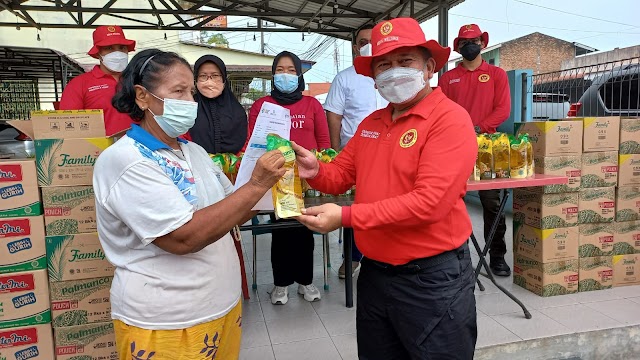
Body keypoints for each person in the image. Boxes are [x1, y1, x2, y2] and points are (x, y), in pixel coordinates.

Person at [293, 18, 478, 359]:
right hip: (376, 275)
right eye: (383, 64)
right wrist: (315, 169)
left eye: (405, 61)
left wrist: (345, 217)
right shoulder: (371, 123)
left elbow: (429, 204)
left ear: (429, 67)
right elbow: (341, 175)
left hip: (432, 281)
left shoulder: (449, 120)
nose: (393, 72)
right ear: (374, 78)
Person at [93, 49, 285, 360]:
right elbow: (183, 238)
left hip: (221, 306)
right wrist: (257, 184)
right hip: (167, 321)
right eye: (179, 91)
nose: (191, 102)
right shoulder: (125, 161)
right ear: (142, 97)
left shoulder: (193, 151)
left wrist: (278, 185)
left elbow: (231, 210)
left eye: (191, 92)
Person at [246, 51, 331, 305]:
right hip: (276, 179)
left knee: (305, 229)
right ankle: (281, 284)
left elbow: (324, 143)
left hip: (306, 181)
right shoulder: (263, 105)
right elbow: (253, 142)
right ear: (273, 74)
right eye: (280, 70)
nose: (286, 75)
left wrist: (322, 172)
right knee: (281, 233)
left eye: (292, 71)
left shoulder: (312, 105)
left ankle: (306, 281)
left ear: (300, 75)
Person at [439, 24, 512, 277]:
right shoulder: (448, 79)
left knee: (493, 205)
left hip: (488, 150)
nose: (470, 45)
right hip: (455, 148)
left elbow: (503, 109)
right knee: (449, 202)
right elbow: (441, 111)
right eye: (464, 42)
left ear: (482, 43)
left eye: (475, 41)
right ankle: (455, 258)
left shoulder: (496, 74)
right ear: (458, 47)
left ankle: (498, 256)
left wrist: (480, 128)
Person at [324, 24, 388, 279]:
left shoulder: (389, 75)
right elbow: (334, 116)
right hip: (355, 154)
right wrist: (335, 151)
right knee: (355, 206)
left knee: (387, 205)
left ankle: (386, 256)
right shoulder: (345, 78)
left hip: (391, 150)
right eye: (363, 42)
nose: (368, 45)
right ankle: (352, 258)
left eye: (373, 41)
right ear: (354, 47)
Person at [59, 25, 136, 136]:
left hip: (141, 149)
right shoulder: (79, 84)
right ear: (98, 53)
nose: (117, 54)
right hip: (99, 150)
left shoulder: (139, 79)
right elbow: (68, 125)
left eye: (122, 47)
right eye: (109, 48)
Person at [187, 55, 248, 154]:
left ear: (223, 78)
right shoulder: (189, 106)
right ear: (196, 79)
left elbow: (246, 142)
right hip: (195, 165)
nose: (209, 81)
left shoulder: (237, 110)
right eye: (203, 76)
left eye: (215, 76)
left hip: (234, 167)